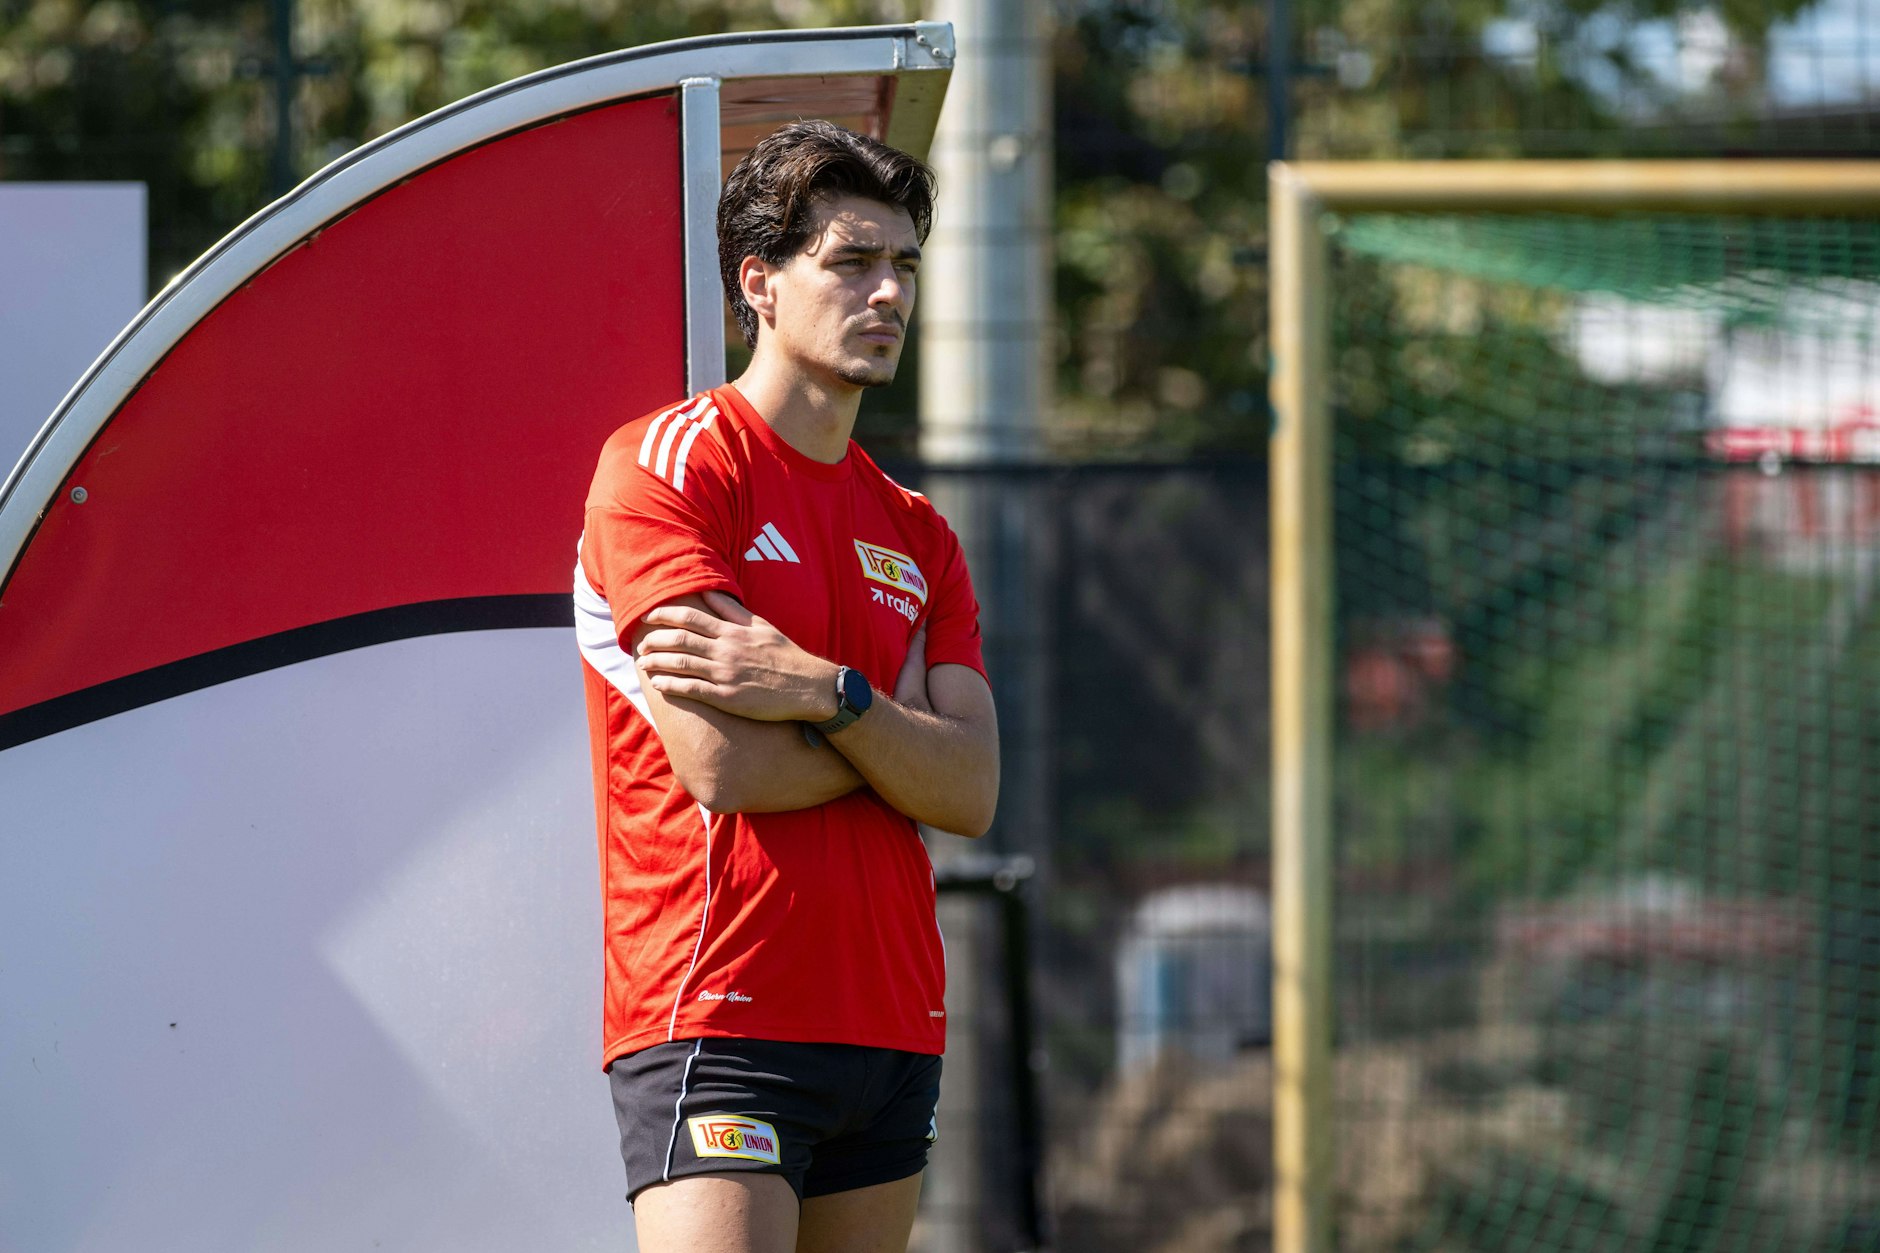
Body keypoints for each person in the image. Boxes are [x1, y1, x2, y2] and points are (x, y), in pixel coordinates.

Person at [573, 119, 1000, 1253]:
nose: (888, 292)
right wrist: (893, 747)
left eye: (903, 263)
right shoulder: (668, 467)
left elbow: (967, 789)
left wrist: (825, 690)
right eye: (851, 261)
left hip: (893, 1021)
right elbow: (722, 763)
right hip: (722, 1010)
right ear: (758, 282)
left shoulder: (919, 533)